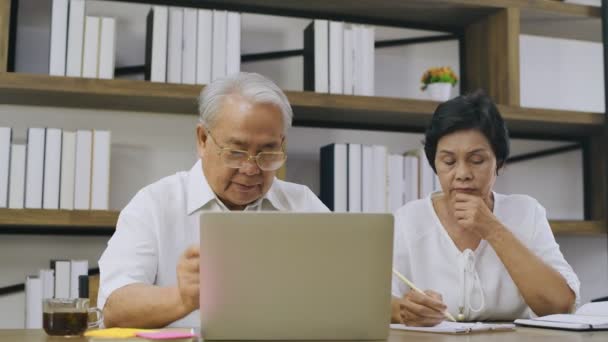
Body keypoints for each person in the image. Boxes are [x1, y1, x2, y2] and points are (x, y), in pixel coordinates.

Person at [98, 72, 329, 328]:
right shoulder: (154, 204)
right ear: (203, 140)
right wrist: (182, 298)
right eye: (236, 152)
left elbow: (354, 292)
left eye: (267, 151)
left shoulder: (303, 204)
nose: (251, 169)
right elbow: (114, 307)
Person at [390, 91, 580, 326]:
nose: (462, 174)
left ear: (498, 161)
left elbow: (561, 304)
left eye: (477, 160)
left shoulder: (526, 212)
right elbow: (375, 299)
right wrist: (404, 311)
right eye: (448, 162)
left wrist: (491, 228)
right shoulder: (409, 219)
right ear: (434, 164)